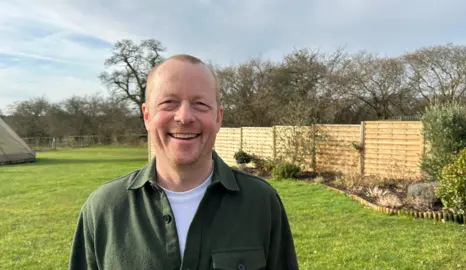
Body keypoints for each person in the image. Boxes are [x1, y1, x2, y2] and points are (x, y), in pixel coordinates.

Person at [68, 54, 299, 270]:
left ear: (218, 117)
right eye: (169, 102)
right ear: (147, 116)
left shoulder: (261, 203)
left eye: (200, 104)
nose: (185, 117)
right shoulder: (103, 209)